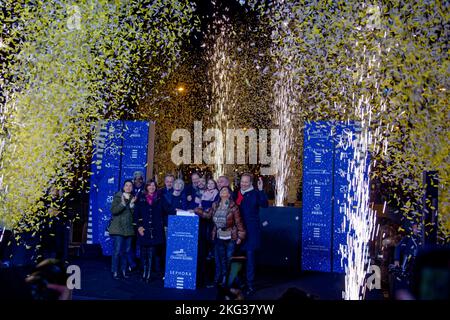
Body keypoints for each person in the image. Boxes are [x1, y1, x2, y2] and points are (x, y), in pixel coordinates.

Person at [195, 186, 246, 288]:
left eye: (225, 190)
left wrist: (241, 236)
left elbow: (238, 222)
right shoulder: (215, 205)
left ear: (229, 194)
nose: (222, 191)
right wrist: (197, 210)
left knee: (229, 260)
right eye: (221, 190)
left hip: (231, 236)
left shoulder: (233, 207)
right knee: (222, 260)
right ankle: (225, 280)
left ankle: (238, 282)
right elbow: (208, 216)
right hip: (219, 236)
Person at [233, 173, 268, 295]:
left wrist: (261, 189)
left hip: (251, 232)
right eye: (242, 181)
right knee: (235, 257)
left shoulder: (256, 193)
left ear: (251, 183)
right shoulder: (236, 193)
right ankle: (238, 282)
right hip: (237, 231)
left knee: (250, 259)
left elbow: (265, 204)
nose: (243, 184)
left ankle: (250, 285)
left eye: (246, 182)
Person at [135, 180, 174, 282]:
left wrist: (184, 211)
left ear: (156, 187)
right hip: (143, 229)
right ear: (146, 187)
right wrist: (139, 226)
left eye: (153, 185)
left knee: (152, 252)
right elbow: (136, 214)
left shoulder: (160, 198)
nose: (152, 187)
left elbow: (170, 210)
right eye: (149, 185)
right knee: (144, 252)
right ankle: (143, 271)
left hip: (156, 230)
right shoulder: (141, 198)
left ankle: (148, 274)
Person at [109, 180, 137, 280]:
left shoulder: (133, 198)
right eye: (126, 185)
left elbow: (133, 215)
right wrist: (123, 203)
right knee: (117, 250)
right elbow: (113, 211)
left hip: (128, 228)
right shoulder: (118, 196)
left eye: (130, 186)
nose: (128, 187)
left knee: (126, 251)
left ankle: (124, 271)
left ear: (132, 188)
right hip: (118, 228)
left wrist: (132, 205)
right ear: (123, 187)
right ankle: (115, 271)